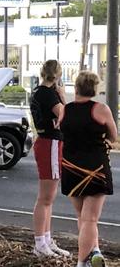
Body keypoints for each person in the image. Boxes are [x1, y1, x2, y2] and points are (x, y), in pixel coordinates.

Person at [59, 72, 116, 267]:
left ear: (75, 88)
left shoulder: (65, 110)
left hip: (70, 168)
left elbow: (61, 130)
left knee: (83, 218)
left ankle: (95, 252)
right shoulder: (101, 109)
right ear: (95, 88)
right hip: (95, 169)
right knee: (90, 220)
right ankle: (82, 262)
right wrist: (105, 141)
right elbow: (113, 135)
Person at [29, 60, 70, 257]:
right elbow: (65, 116)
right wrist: (63, 98)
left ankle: (45, 239)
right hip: (50, 143)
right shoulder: (48, 94)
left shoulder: (38, 92)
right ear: (58, 74)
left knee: (49, 198)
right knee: (46, 197)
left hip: (48, 141)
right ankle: (40, 243)